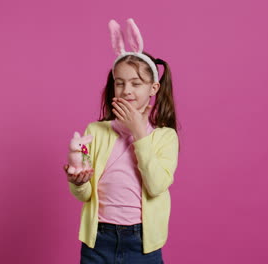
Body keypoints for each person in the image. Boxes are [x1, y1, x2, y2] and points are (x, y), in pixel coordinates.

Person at [63, 18, 179, 264]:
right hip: (98, 239)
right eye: (120, 83)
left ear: (153, 88)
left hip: (142, 242)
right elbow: (84, 194)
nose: (127, 90)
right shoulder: (95, 131)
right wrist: (78, 181)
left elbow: (157, 186)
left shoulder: (165, 137)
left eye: (136, 84)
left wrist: (139, 133)